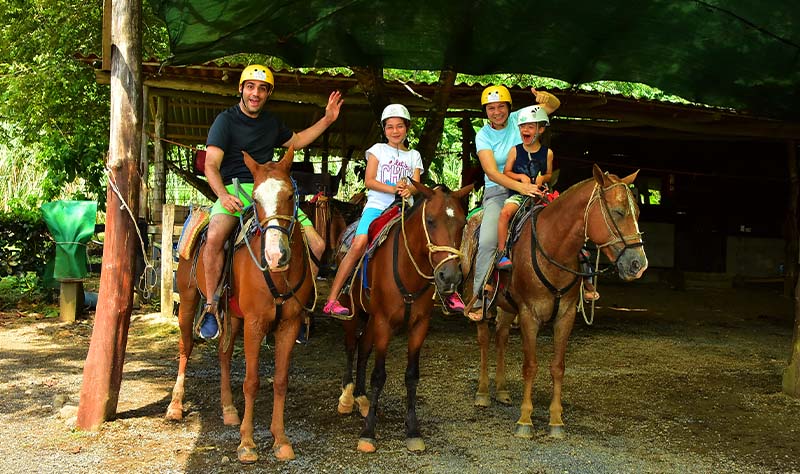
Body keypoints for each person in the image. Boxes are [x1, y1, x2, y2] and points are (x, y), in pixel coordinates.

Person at [198, 64, 344, 339]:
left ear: (267, 94)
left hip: (269, 190)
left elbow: (297, 141)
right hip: (235, 188)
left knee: (318, 243)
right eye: (251, 87)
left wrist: (327, 120)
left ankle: (299, 307)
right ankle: (211, 306)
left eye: (262, 89)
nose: (256, 93)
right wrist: (223, 196)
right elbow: (211, 165)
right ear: (241, 89)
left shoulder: (271, 122)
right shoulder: (225, 121)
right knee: (216, 235)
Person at [323, 104, 435, 319]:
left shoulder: (414, 155)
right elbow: (369, 180)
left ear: (407, 128)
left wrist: (408, 189)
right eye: (390, 127)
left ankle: (445, 292)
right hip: (377, 207)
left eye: (399, 126)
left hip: (404, 209)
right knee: (359, 243)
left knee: (431, 242)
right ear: (384, 130)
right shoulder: (377, 150)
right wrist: (394, 188)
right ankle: (333, 298)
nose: (395, 131)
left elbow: (416, 184)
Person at [466, 85, 560, 322]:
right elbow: (492, 172)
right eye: (490, 108)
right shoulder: (483, 135)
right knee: (487, 239)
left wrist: (543, 99)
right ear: (485, 111)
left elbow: (552, 106)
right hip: (499, 191)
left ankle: (572, 287)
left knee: (563, 226)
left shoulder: (521, 118)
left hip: (533, 187)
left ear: (509, 107)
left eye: (500, 107)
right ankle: (479, 299)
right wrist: (522, 188)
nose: (496, 112)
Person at [495, 105, 554, 270]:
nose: (525, 130)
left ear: (540, 129)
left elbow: (549, 174)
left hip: (540, 194)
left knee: (563, 214)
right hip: (519, 194)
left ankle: (579, 253)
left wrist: (543, 178)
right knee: (505, 213)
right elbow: (506, 172)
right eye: (522, 126)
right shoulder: (515, 150)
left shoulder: (547, 153)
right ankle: (502, 252)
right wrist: (520, 177)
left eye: (530, 126)